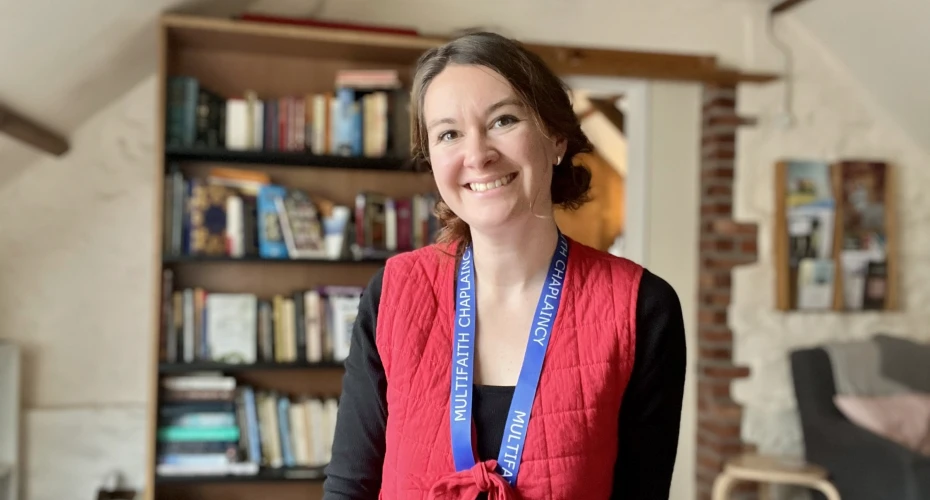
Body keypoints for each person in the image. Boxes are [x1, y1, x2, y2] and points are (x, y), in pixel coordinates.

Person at [322, 31, 686, 500]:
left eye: (503, 120)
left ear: (556, 138)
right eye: (449, 133)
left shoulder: (643, 309)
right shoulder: (394, 292)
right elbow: (349, 488)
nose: (477, 155)